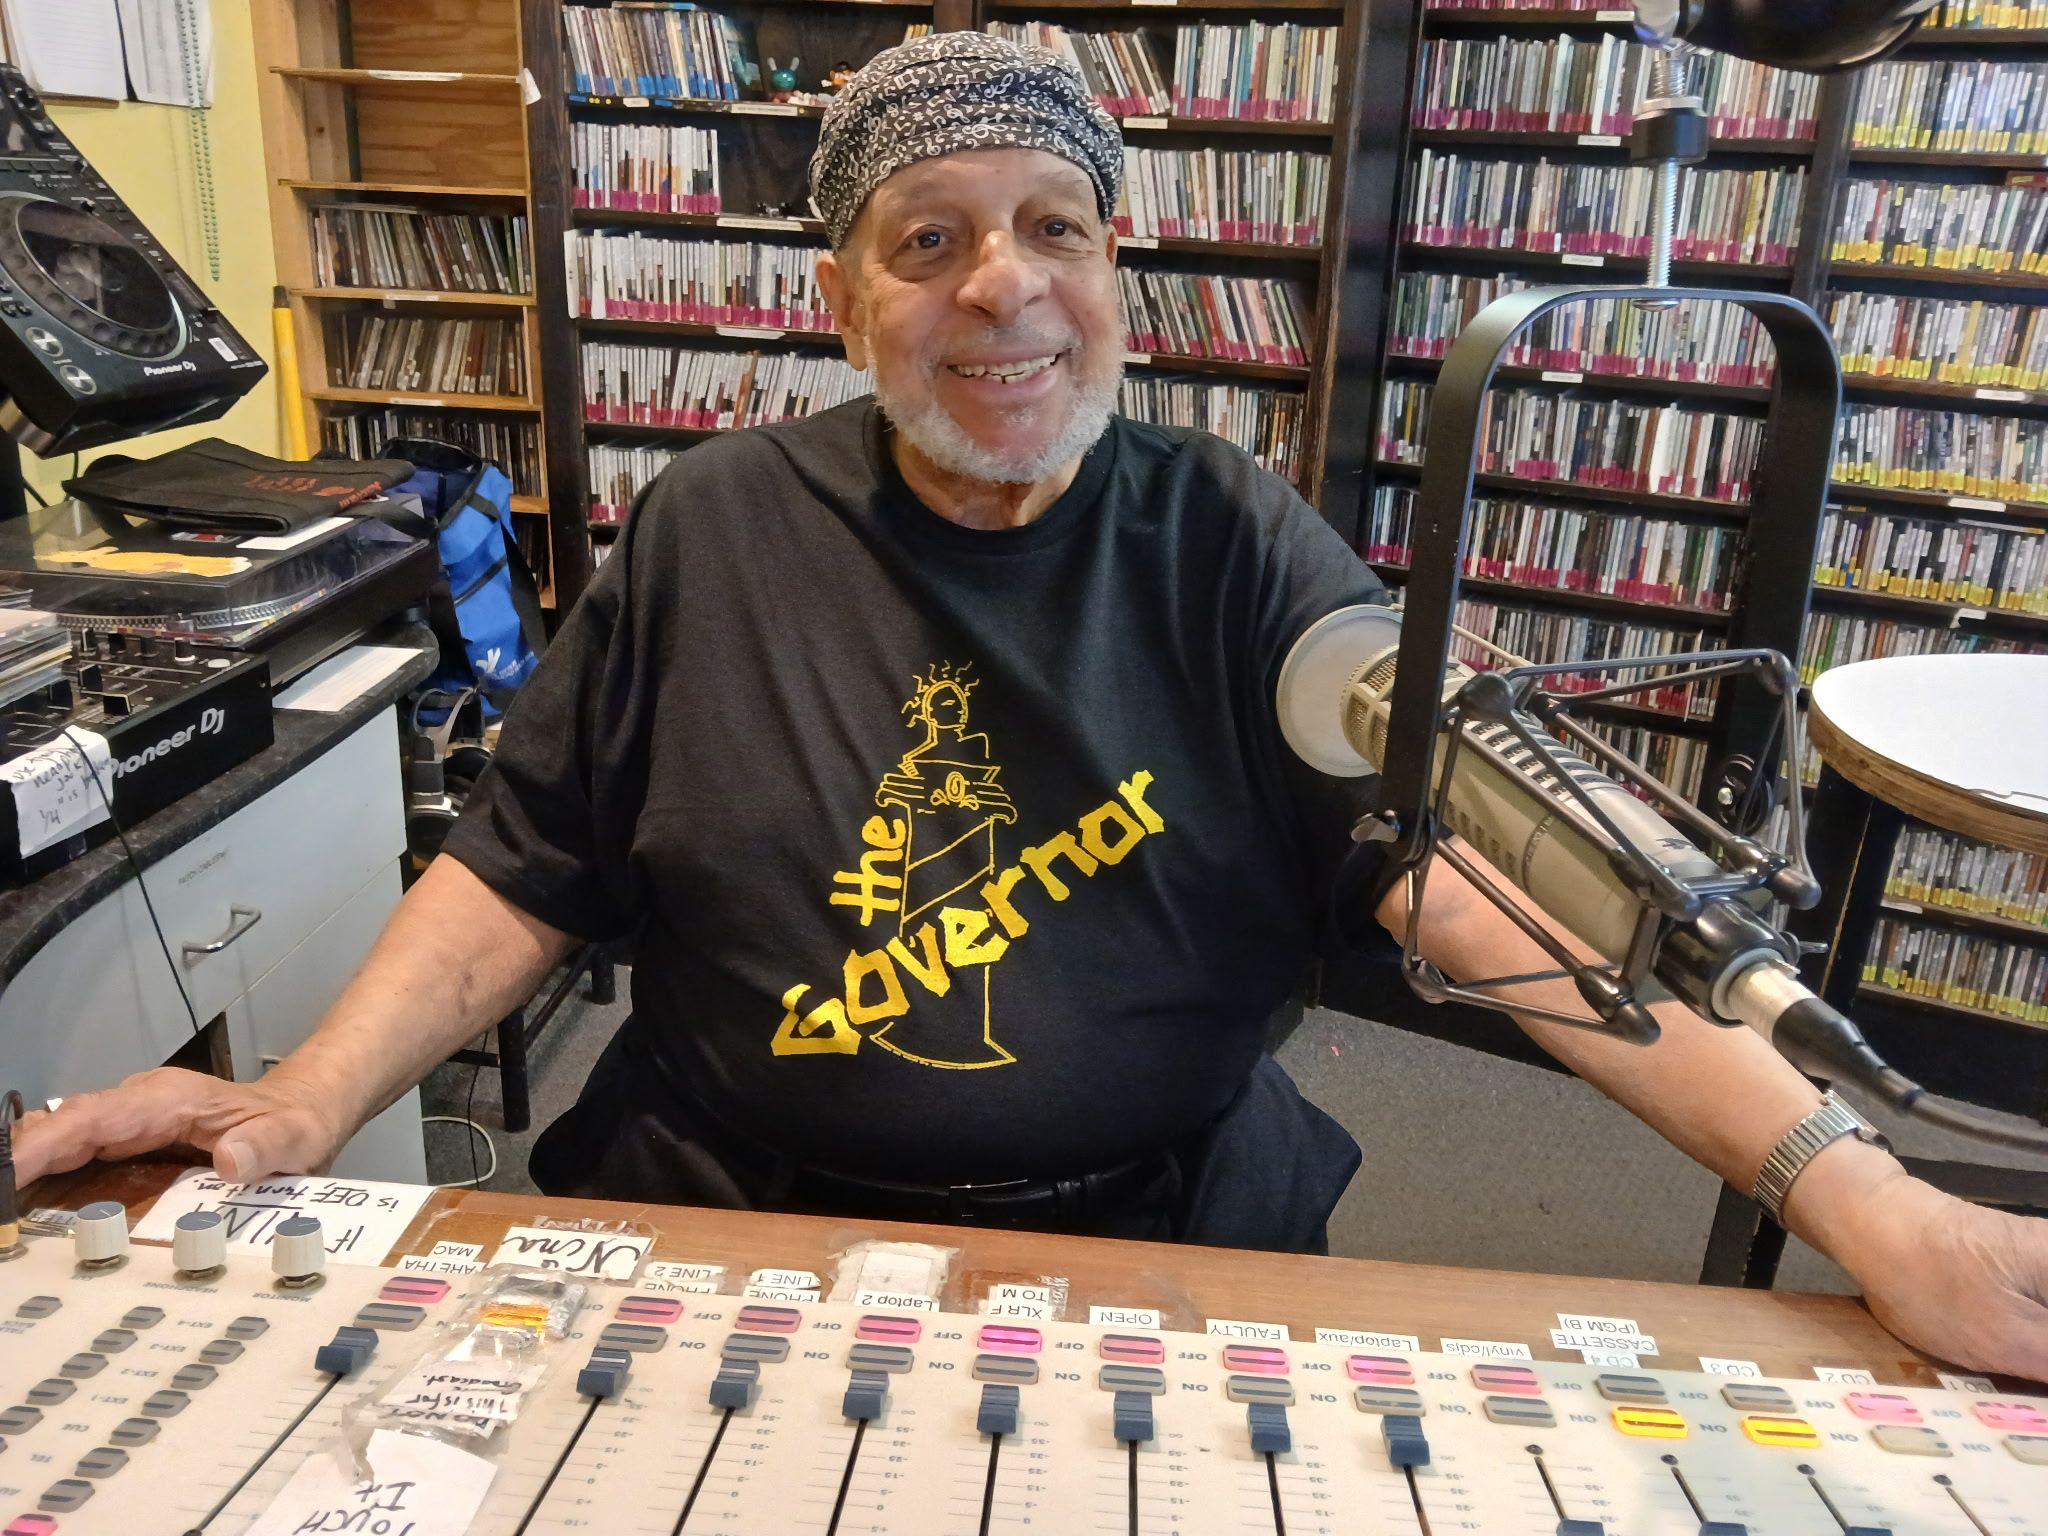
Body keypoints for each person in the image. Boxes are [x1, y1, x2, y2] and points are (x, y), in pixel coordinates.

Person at [13, 35, 2046, 1378]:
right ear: (843, 303)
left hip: (1162, 1238)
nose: (1003, 286)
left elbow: (1492, 897)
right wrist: (305, 1101)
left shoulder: (1231, 539)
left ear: (1115, 276)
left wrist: (1865, 1197)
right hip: (729, 1226)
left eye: (1053, 228)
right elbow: (523, 869)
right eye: (931, 241)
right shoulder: (713, 527)